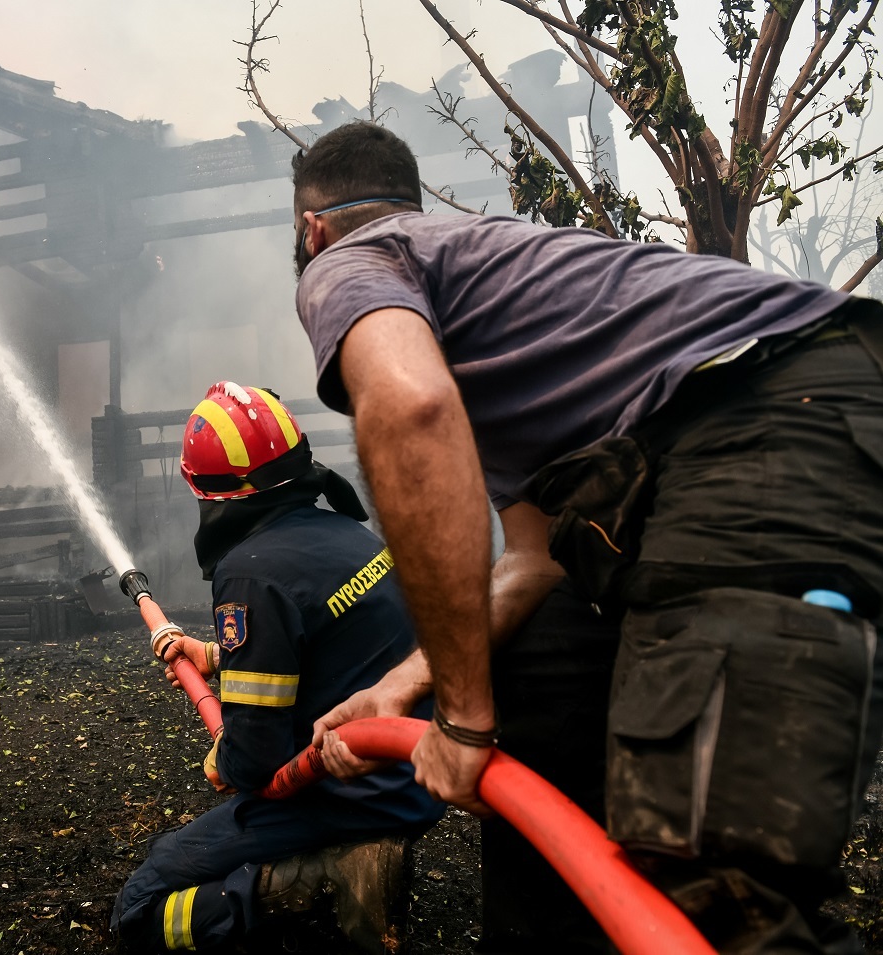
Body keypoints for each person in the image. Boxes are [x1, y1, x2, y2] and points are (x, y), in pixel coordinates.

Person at [289, 119, 883, 954]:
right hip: (792, 403)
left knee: (708, 891)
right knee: (546, 673)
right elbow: (532, 565)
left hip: (769, 419)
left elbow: (413, 411)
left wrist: (462, 722)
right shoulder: (495, 279)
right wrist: (403, 688)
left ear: (312, 227)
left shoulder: (352, 260)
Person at [110, 381, 444, 953]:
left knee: (141, 909)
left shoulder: (252, 571)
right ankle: (334, 866)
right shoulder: (345, 534)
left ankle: (316, 883)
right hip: (410, 778)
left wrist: (227, 757)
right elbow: (328, 652)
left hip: (348, 798)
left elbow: (255, 758)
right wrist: (215, 658)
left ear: (212, 493)